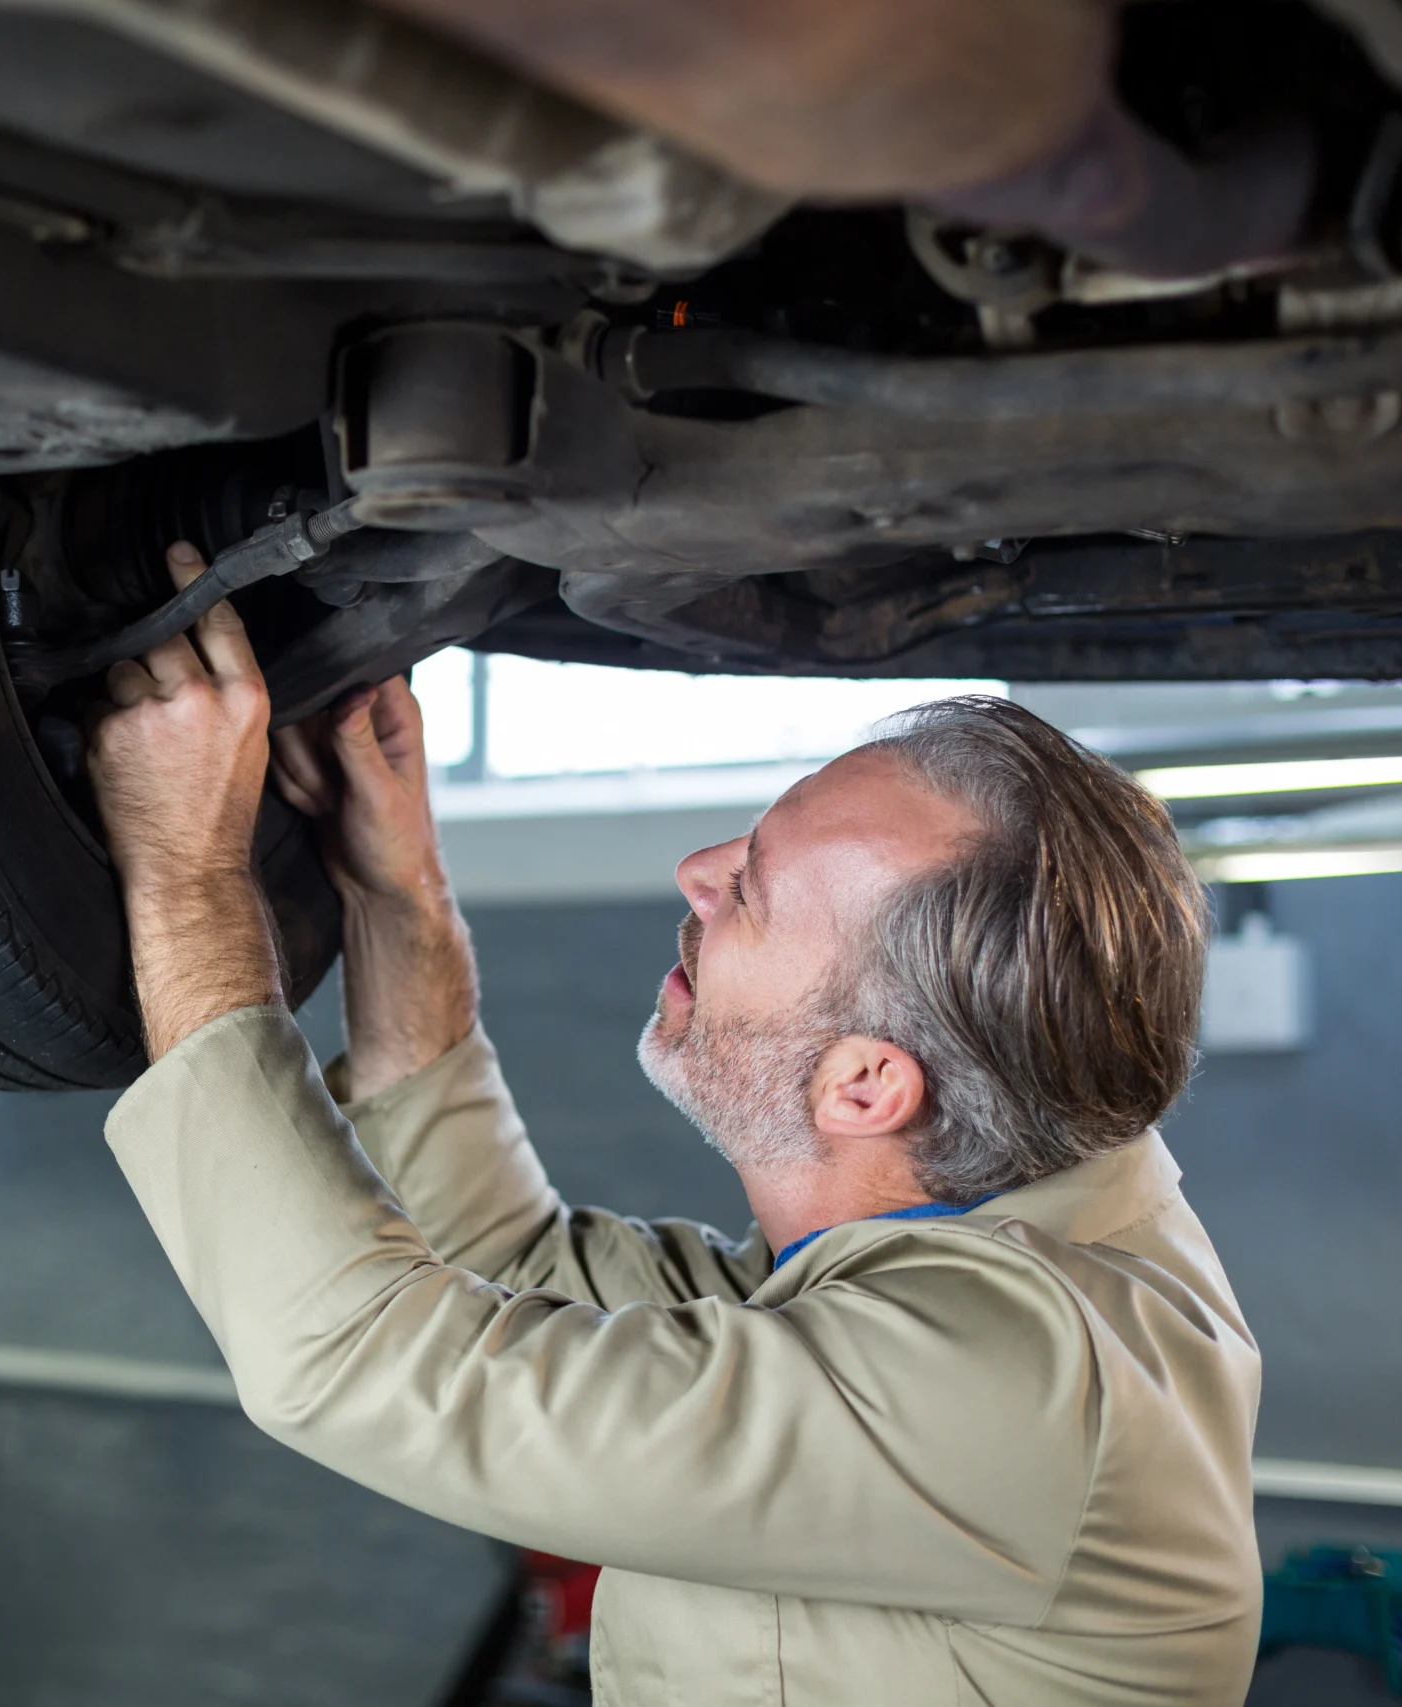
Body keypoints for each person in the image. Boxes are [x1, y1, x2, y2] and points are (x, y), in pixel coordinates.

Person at [87, 543, 1262, 1706]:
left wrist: (184, 873)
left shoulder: (1010, 1383)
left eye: (747, 889)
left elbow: (360, 1362)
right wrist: (399, 898)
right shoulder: (998, 1195)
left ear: (863, 1087)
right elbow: (504, 1271)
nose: (694, 871)